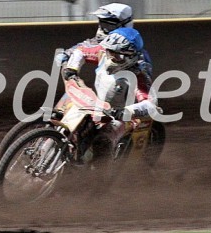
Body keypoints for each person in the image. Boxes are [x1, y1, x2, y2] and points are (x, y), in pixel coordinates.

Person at [62, 26, 156, 159]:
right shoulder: (103, 53)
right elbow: (81, 51)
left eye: (116, 54)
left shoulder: (138, 75)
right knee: (61, 113)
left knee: (102, 142)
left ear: (130, 56)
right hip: (95, 105)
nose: (110, 56)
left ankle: (100, 176)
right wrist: (72, 68)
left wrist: (125, 112)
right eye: (109, 51)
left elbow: (151, 104)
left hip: (119, 116)